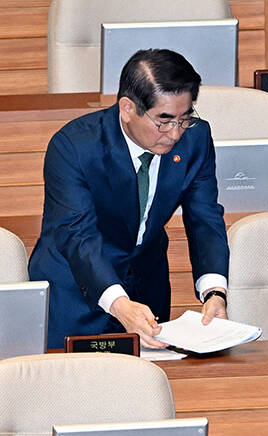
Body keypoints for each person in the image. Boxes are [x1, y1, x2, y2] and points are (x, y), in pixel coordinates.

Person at [29, 49, 229, 349]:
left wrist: (215, 291)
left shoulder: (196, 139)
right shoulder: (74, 147)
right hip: (74, 295)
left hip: (147, 294)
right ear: (127, 108)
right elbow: (77, 235)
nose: (175, 133)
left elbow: (205, 216)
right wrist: (120, 304)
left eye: (184, 118)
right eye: (163, 120)